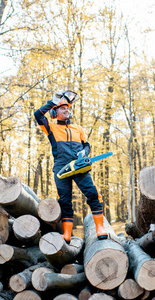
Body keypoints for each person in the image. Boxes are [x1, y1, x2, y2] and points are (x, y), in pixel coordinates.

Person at [34, 91, 108, 242]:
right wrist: (52, 102)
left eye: (68, 108)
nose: (67, 110)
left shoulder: (78, 128)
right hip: (61, 167)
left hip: (79, 166)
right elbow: (38, 115)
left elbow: (87, 145)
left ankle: (100, 227)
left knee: (93, 193)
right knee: (65, 200)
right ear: (55, 112)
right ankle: (67, 234)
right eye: (63, 108)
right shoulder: (51, 128)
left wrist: (84, 152)